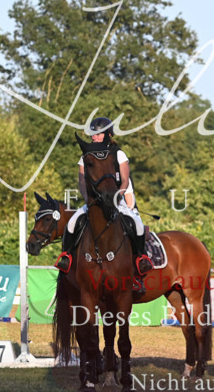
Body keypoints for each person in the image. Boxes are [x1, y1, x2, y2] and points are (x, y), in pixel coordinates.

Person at [56, 118, 152, 286]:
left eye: (98, 133)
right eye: (93, 134)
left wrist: (117, 197)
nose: (94, 137)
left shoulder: (118, 153)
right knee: (72, 223)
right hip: (95, 201)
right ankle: (67, 258)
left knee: (136, 225)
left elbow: (125, 180)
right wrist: (87, 199)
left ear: (108, 134)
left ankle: (140, 260)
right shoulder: (86, 155)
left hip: (119, 198)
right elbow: (81, 182)